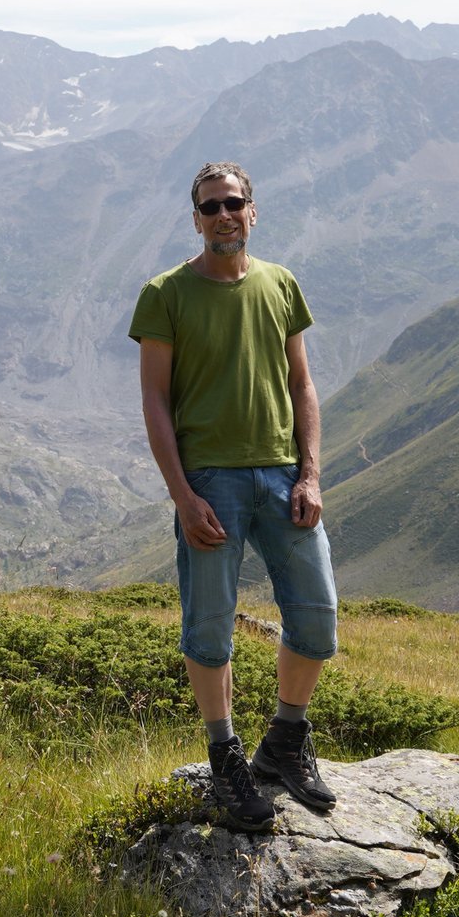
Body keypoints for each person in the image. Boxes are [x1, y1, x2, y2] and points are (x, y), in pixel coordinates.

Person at [129, 160, 338, 830]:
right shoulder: (165, 294)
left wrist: (309, 473)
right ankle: (225, 757)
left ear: (254, 211)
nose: (224, 215)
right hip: (211, 482)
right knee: (210, 627)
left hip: (282, 476)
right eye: (211, 206)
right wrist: (184, 497)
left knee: (316, 618)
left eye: (234, 203)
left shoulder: (281, 285)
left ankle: (284, 742)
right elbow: (155, 401)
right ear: (196, 219)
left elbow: (301, 384)